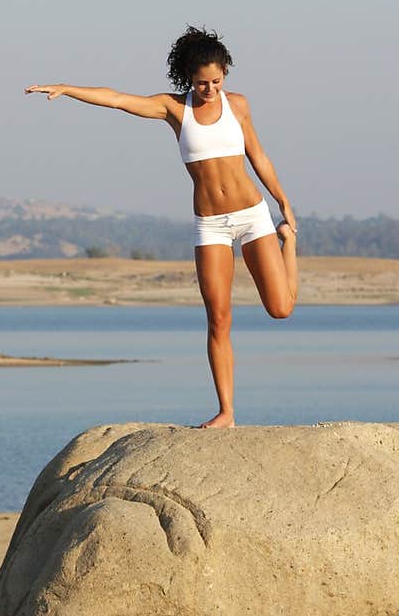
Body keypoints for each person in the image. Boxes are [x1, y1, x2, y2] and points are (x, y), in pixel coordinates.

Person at [25, 24, 298, 428]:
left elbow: (258, 155)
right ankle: (227, 411)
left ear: (226, 74)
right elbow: (117, 99)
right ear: (189, 76)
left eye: (216, 81)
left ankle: (288, 243)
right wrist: (68, 88)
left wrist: (283, 202)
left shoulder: (238, 105)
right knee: (218, 318)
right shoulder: (175, 109)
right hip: (210, 225)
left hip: (253, 215)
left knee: (280, 309)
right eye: (203, 82)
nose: (210, 90)